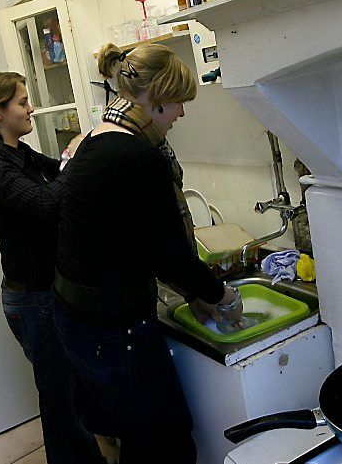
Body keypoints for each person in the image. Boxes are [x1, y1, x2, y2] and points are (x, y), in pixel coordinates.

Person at [52, 44, 244, 464]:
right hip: (113, 328)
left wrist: (192, 288)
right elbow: (171, 254)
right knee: (166, 443)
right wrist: (222, 294)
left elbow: (129, 235)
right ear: (157, 96)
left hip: (74, 316)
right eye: (179, 102)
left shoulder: (97, 137)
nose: (181, 113)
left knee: (133, 436)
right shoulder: (139, 156)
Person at [0, 72, 103, 464]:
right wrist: (74, 156)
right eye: (22, 102)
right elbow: (45, 203)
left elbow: (58, 173)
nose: (31, 108)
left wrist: (86, 146)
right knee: (60, 398)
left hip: (46, 290)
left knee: (69, 392)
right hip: (33, 298)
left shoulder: (16, 153)